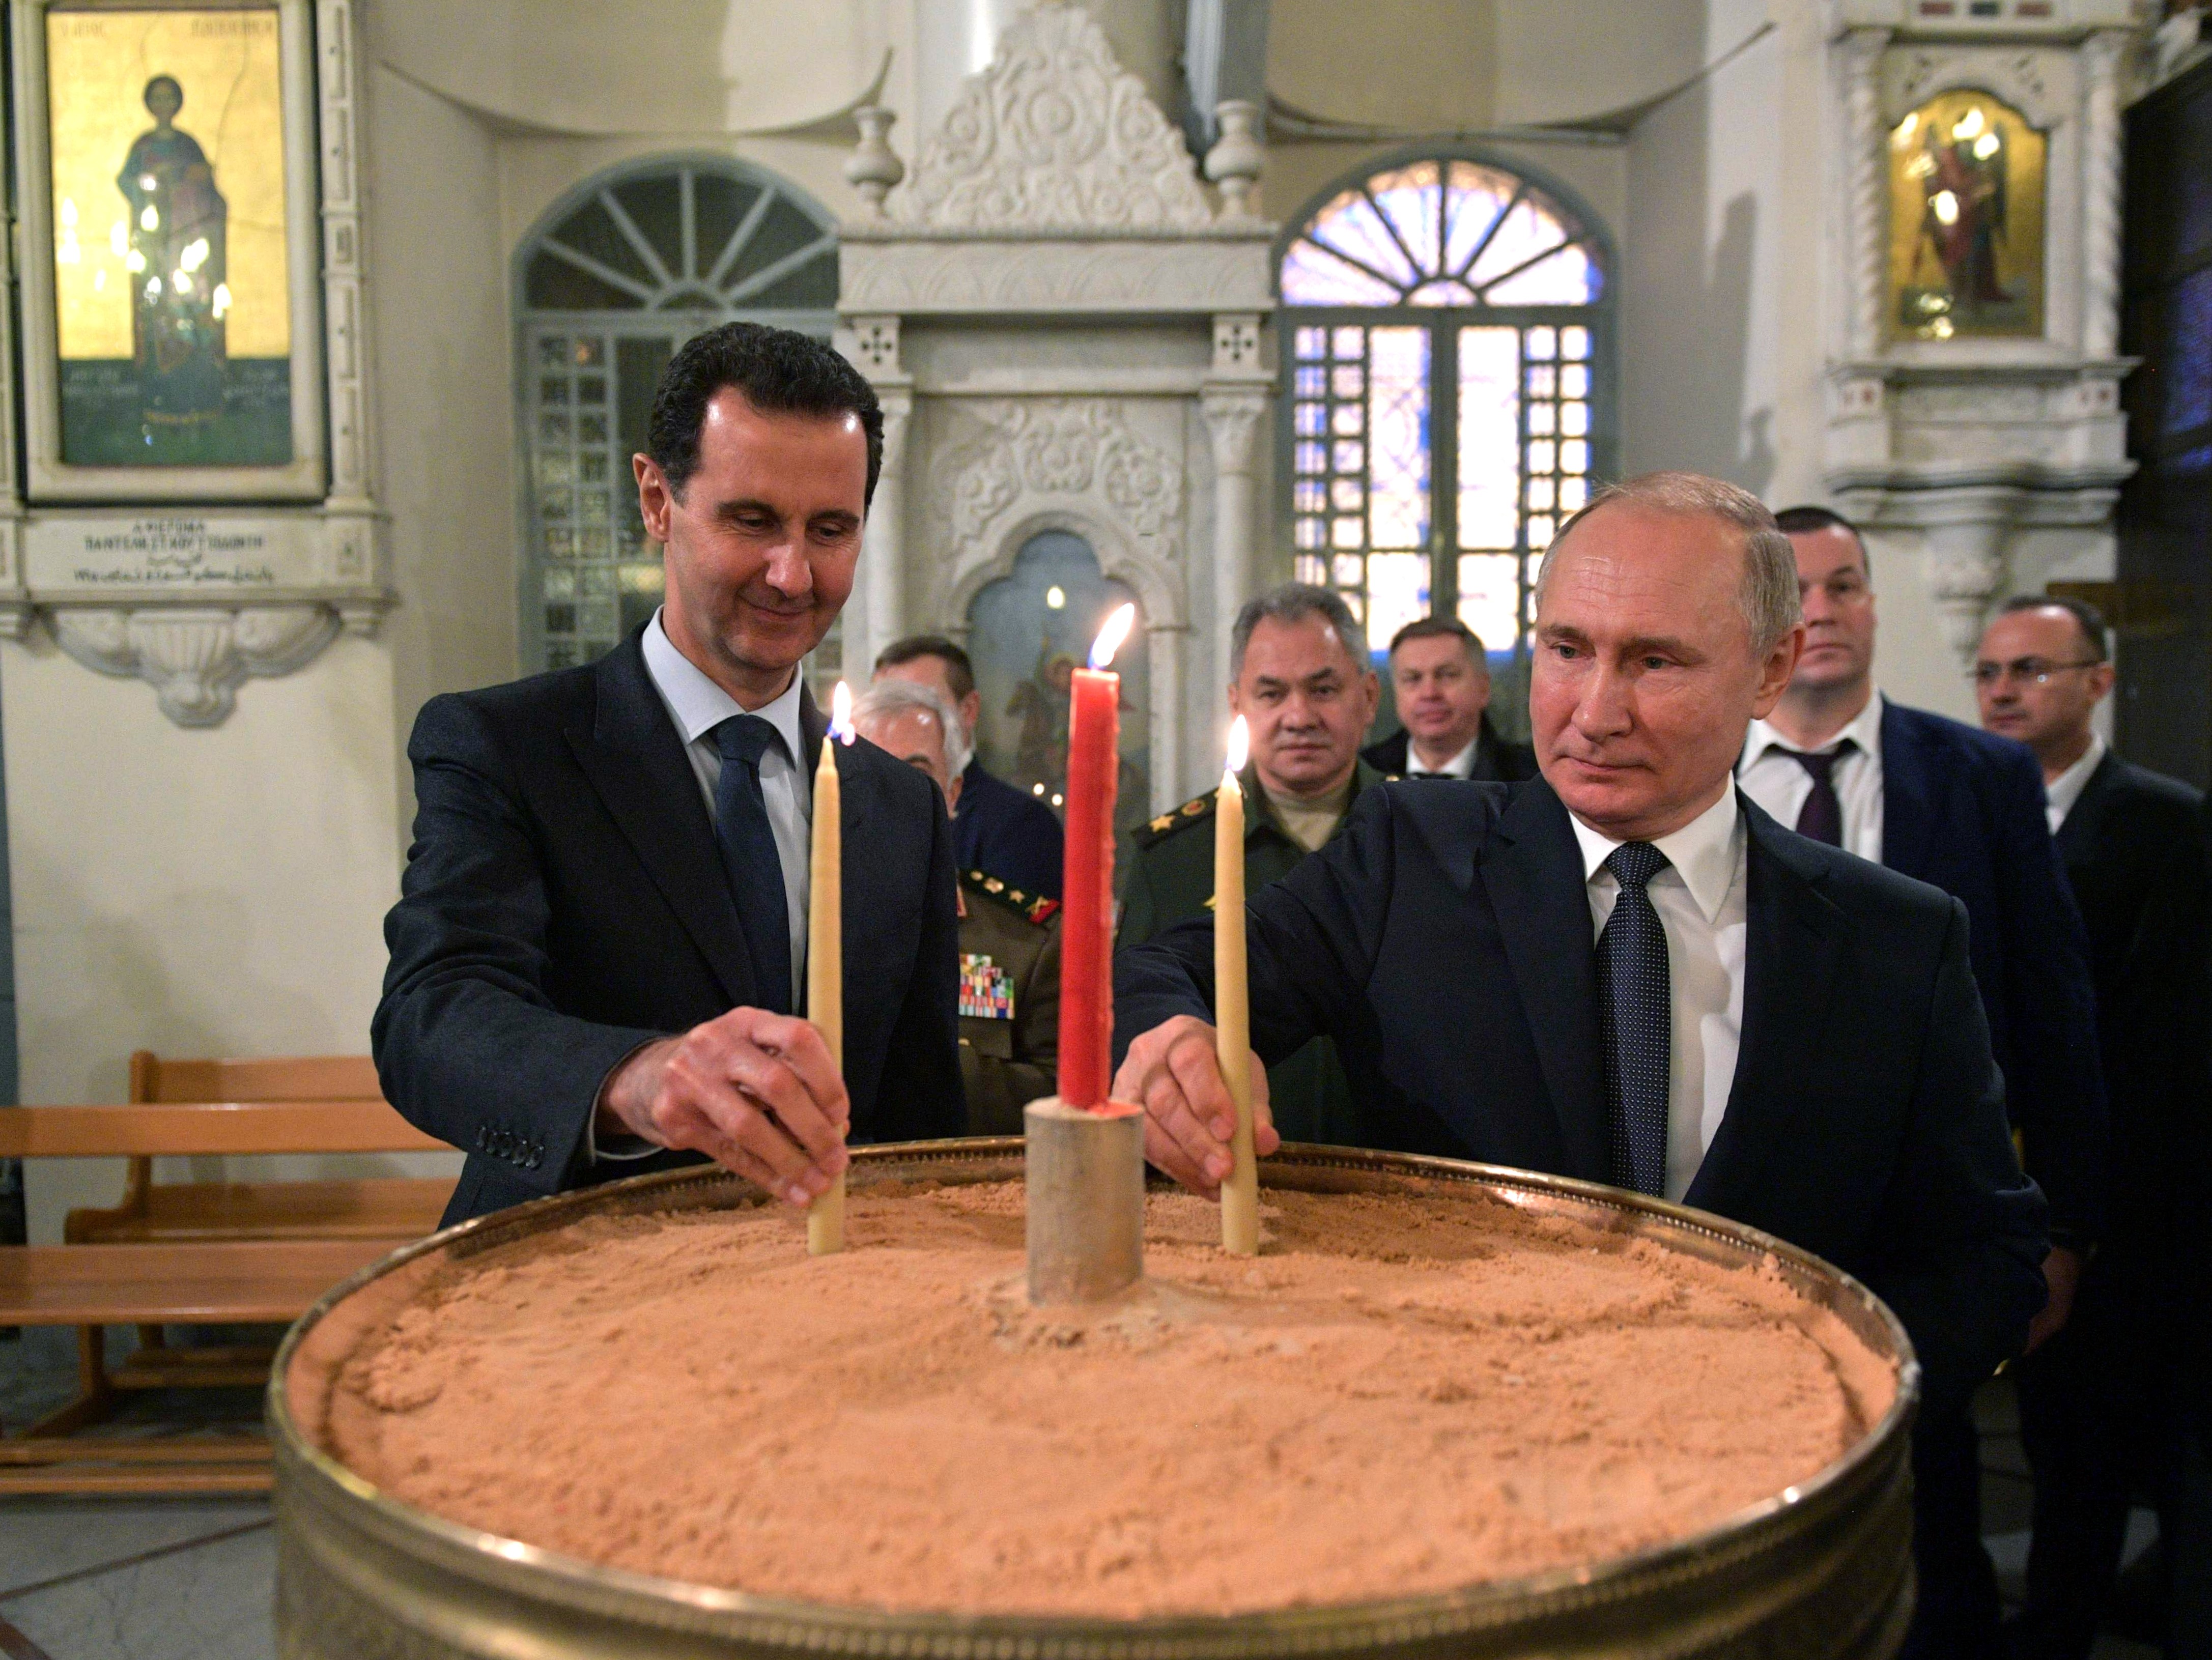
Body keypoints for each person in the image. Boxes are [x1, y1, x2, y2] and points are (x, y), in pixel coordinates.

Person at [1114, 471, 2048, 1438]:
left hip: (1760, 1474)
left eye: (1655, 661)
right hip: (1451, 1446)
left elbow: (1984, 1253)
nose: (1595, 712)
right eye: (1567, 650)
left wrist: (1819, 1404)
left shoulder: (1894, 941)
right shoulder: (1410, 855)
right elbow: (1174, 968)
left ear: (1771, 669)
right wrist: (1171, 1040)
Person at [376, 322, 963, 1225]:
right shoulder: (510, 748)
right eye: (752, 521)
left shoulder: (901, 807)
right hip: (572, 1261)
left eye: (830, 530)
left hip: (826, 1277)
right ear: (657, 499)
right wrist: (636, 1078)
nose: (793, 574)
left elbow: (921, 1121)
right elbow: (434, 1018)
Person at [1738, 504, 2107, 1660]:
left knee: (1934, 1521)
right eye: (1796, 589)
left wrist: (2063, 1228)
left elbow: (2050, 1006)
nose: (1822, 612)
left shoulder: (1980, 775)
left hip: (1924, 1216)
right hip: (1746, 1209)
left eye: (1844, 585)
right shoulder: (1700, 768)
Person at [1974, 595, 2207, 1660]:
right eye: (1989, 672)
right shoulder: (1973, 805)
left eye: (2030, 668)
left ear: (2097, 682)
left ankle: (2068, 1623)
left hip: (2118, 1182)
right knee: (2015, 1424)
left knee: (2095, 1428)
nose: (2003, 691)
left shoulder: (2163, 819)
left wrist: (2092, 1210)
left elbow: (2165, 1034)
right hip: (1994, 1168)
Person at [1119, 584, 1383, 1147]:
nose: (1298, 716)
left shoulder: (1420, 843)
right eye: (1271, 693)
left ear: (1368, 696)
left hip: (1402, 1175)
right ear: (1237, 704)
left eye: (1323, 690)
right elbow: (1137, 1020)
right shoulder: (1170, 859)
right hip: (1234, 1165)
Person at [852, 676, 1061, 1134]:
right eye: (871, 772)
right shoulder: (798, 926)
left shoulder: (1029, 943)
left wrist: (916, 1068)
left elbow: (1066, 1094)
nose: (893, 793)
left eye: (916, 774)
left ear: (953, 791)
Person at [874, 634, 1065, 899]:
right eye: (884, 705)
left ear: (968, 710)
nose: (897, 722)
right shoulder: (859, 810)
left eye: (920, 704)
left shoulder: (1021, 826)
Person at [1360, 616, 1537, 781]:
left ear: (1483, 688)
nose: (1429, 693)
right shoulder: (1362, 773)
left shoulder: (1534, 779)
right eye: (1413, 679)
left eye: (1447, 675)